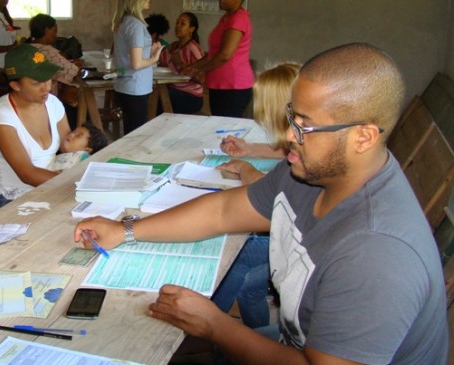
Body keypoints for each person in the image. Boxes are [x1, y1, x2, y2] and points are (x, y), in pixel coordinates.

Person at [74, 43, 448, 364]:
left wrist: (216, 326)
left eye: (304, 125)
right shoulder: (312, 171)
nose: (288, 136)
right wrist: (124, 229)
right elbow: (223, 210)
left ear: (362, 137)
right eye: (291, 117)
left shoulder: (378, 253)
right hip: (296, 340)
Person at [210, 62, 301, 329]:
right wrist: (250, 149)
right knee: (249, 285)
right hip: (294, 238)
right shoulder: (302, 136)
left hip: (299, 245)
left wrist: (244, 167)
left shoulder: (308, 152)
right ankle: (254, 335)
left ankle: (210, 326)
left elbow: (269, 195)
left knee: (237, 253)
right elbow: (285, 150)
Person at [0, 43, 70, 210]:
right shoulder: (0, 113)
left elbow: (70, 146)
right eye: (36, 83)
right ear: (15, 85)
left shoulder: (53, 103)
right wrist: (72, 183)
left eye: (48, 78)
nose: (47, 87)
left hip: (51, 184)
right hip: (14, 196)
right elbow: (26, 174)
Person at [183, 0, 253, 118]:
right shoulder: (226, 18)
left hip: (233, 86)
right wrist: (194, 67)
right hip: (221, 85)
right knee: (219, 126)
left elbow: (225, 54)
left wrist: (201, 70)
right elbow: (213, 53)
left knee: (225, 130)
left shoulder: (239, 18)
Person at [112, 0, 164, 135]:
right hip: (135, 87)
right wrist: (154, 58)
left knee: (130, 132)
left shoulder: (123, 21)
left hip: (124, 84)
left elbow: (130, 57)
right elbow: (136, 64)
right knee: (136, 135)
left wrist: (149, 54)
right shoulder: (135, 25)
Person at [27, 13, 85, 129]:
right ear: (46, 30)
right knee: (80, 108)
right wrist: (76, 65)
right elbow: (72, 71)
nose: (55, 35)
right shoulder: (48, 51)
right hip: (47, 99)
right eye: (54, 31)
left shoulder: (28, 47)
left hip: (28, 96)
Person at [158, 12, 205, 115]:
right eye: (177, 23)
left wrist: (181, 65)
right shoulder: (173, 47)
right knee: (153, 94)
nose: (178, 26)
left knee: (158, 98)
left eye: (182, 24)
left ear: (191, 29)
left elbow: (202, 79)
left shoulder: (193, 48)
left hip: (191, 96)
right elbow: (160, 62)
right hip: (174, 90)